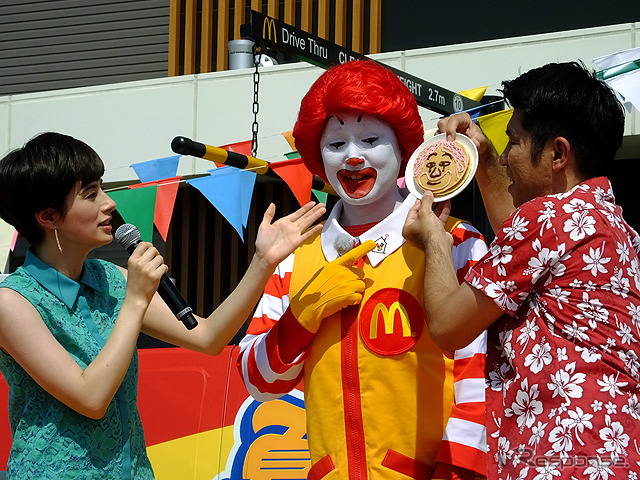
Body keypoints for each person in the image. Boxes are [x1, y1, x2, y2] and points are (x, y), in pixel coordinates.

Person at [0, 132, 327, 479]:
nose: (109, 203)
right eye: (91, 194)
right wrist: (136, 300)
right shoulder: (13, 302)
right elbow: (90, 398)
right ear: (48, 217)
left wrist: (263, 262)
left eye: (102, 188)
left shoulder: (111, 278)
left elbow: (208, 337)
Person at [237, 60, 489, 479]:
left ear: (404, 149)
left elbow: (480, 375)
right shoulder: (297, 256)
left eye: (371, 139)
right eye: (336, 145)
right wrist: (300, 317)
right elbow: (256, 381)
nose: (353, 157)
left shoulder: (456, 241)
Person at [402, 61, 640, 480]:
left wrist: (436, 243)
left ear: (557, 153)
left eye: (513, 142)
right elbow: (518, 245)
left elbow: (446, 326)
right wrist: (483, 157)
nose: (508, 157)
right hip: (611, 451)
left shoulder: (546, 219)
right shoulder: (610, 223)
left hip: (556, 455)